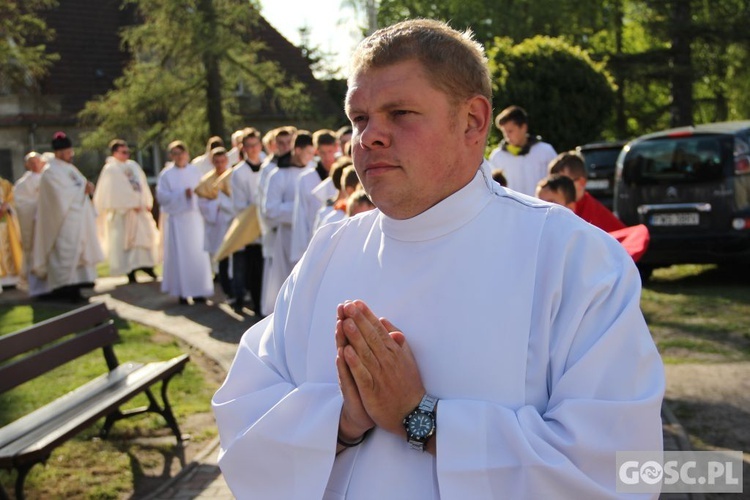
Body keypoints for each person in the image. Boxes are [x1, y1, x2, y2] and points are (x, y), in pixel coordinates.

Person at [213, 19, 664, 498]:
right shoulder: (328, 251)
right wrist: (341, 421)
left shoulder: (575, 258)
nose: (368, 138)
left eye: (400, 113)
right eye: (359, 118)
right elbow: (244, 419)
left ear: (472, 121)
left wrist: (421, 418)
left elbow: (620, 467)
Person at [31, 132, 104, 302]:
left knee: (79, 254)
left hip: (79, 220)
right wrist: (82, 190)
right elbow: (58, 196)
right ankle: (63, 288)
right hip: (62, 222)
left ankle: (78, 285)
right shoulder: (50, 171)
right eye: (68, 151)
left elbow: (79, 184)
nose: (71, 154)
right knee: (64, 253)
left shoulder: (70, 168)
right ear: (59, 152)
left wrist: (88, 187)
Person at [258, 132, 315, 316]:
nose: (310, 156)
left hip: (312, 234)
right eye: (307, 152)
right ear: (297, 150)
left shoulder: (312, 171)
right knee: (287, 279)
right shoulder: (278, 175)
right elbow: (270, 210)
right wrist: (300, 209)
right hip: (288, 237)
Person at [93, 139, 158, 283]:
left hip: (139, 211)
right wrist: (131, 203)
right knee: (126, 242)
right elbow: (115, 191)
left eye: (128, 151)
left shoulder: (133, 166)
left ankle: (146, 266)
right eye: (123, 152)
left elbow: (142, 184)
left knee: (143, 241)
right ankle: (130, 270)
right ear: (115, 153)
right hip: (123, 213)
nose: (126, 155)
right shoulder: (111, 169)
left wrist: (146, 201)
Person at [156, 140, 214, 304]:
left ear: (186, 154)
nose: (179, 156)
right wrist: (182, 194)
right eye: (175, 154)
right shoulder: (166, 175)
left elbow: (204, 192)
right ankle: (182, 291)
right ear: (171, 156)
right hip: (178, 221)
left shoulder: (195, 171)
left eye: (181, 153)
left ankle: (199, 290)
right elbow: (162, 197)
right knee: (180, 257)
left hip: (195, 220)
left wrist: (196, 197)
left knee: (197, 254)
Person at [228, 128, 265, 314]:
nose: (252, 149)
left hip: (268, 226)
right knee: (254, 269)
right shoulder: (239, 172)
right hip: (251, 227)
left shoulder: (268, 166)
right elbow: (239, 204)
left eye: (255, 145)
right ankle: (257, 304)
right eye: (248, 146)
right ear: (243, 148)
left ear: (260, 145)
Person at [290, 129, 339, 264]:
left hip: (339, 239)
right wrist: (302, 252)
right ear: (316, 151)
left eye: (330, 151)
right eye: (323, 153)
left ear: (336, 148)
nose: (328, 157)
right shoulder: (305, 178)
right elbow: (300, 216)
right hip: (313, 239)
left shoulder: (343, 174)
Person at [548, 151, 627, 233]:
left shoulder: (594, 216)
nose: (555, 189)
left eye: (563, 183)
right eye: (551, 184)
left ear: (581, 182)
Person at [488, 105, 557, 196]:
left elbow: (556, 183)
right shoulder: (497, 156)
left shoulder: (545, 151)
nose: (506, 136)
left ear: (523, 127)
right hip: (511, 209)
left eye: (510, 131)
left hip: (541, 208)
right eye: (504, 132)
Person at [196, 147, 234, 298]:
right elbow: (202, 204)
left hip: (231, 220)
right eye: (216, 161)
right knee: (222, 256)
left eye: (222, 161)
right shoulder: (206, 181)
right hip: (217, 222)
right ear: (212, 162)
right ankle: (226, 288)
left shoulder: (233, 175)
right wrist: (216, 205)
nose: (220, 164)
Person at [14, 152, 48, 295]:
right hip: (33, 222)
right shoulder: (22, 184)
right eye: (32, 162)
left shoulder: (48, 178)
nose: (35, 165)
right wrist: (38, 204)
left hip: (47, 223)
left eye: (37, 162)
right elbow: (21, 204)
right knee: (34, 251)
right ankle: (36, 287)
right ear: (27, 165)